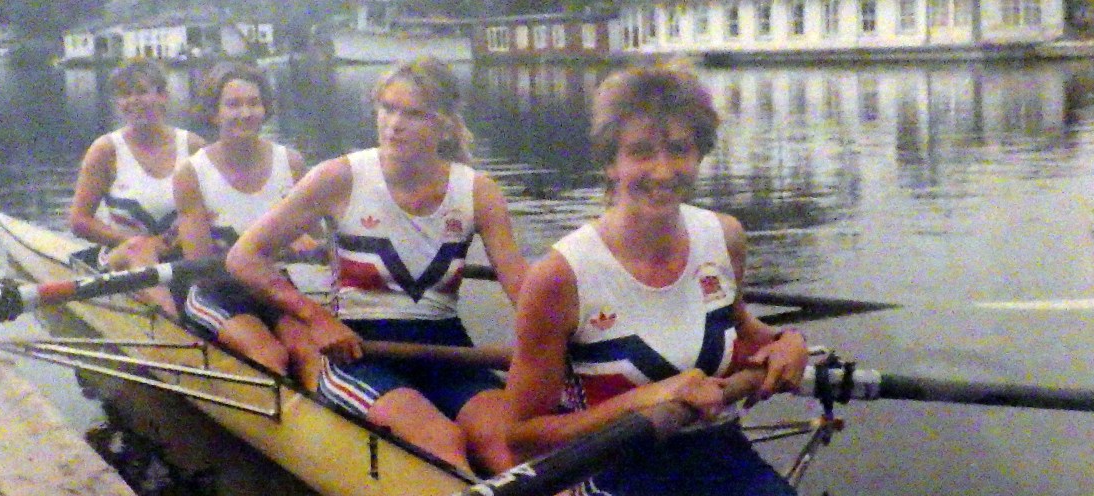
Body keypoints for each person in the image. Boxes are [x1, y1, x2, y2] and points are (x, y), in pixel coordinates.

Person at [503, 64, 810, 495]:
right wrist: (646, 398)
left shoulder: (724, 238)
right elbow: (520, 439)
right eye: (641, 152)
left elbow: (742, 330)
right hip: (614, 471)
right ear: (611, 163)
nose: (664, 172)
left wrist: (787, 342)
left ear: (700, 155)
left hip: (720, 454)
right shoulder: (560, 276)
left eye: (679, 150)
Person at [226, 57, 526, 475]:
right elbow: (243, 256)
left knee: (512, 448)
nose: (394, 124)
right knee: (441, 445)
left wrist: (559, 343)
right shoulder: (339, 177)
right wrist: (314, 318)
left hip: (448, 347)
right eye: (387, 108)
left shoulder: (478, 191)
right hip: (358, 348)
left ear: (444, 124)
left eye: (413, 113)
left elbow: (521, 289)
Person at [172, 61, 311, 377]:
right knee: (270, 355)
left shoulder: (291, 162)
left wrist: (305, 242)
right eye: (233, 104)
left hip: (276, 285)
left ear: (265, 109)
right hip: (217, 290)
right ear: (214, 113)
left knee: (307, 350)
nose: (245, 113)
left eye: (253, 103)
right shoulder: (191, 173)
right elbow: (199, 263)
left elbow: (313, 243)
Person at [69, 58, 207, 315]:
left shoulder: (193, 146)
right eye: (125, 94)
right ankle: (171, 323)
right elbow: (79, 220)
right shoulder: (105, 150)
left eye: (142, 92)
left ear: (163, 96)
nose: (133, 101)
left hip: (180, 254)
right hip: (122, 256)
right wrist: (140, 241)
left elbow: (214, 208)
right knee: (139, 248)